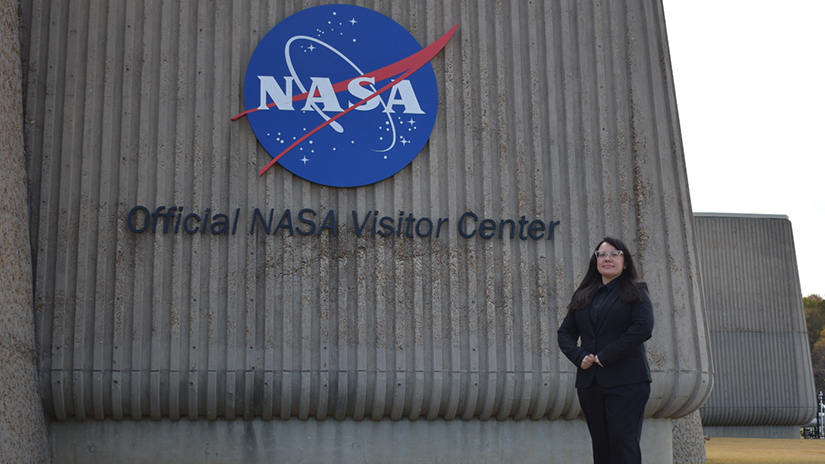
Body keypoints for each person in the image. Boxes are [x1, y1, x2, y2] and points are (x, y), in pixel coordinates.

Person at [557, 237, 654, 464]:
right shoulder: (583, 295)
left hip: (628, 382)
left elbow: (643, 328)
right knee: (601, 446)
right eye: (602, 255)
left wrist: (606, 356)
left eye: (614, 254)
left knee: (623, 442)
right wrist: (579, 356)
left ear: (625, 262)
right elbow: (565, 333)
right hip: (591, 384)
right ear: (596, 260)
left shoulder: (636, 291)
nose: (607, 259)